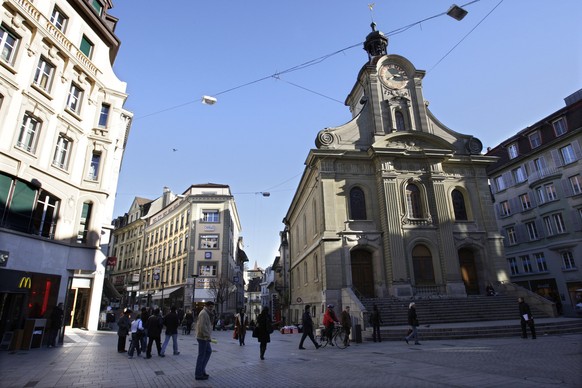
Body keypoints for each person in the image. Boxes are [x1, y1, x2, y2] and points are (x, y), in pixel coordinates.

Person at [195, 301, 215, 381]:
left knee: (208, 352)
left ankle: (202, 370)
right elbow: (202, 326)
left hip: (204, 337)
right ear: (206, 306)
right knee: (201, 355)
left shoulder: (207, 313)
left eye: (212, 307)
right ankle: (198, 374)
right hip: (202, 337)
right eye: (210, 306)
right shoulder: (203, 313)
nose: (211, 308)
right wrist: (207, 336)